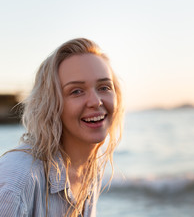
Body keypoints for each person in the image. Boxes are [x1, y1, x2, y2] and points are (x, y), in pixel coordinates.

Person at [0, 38, 124, 217]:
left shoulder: (90, 169)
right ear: (51, 104)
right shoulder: (17, 181)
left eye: (104, 87)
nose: (96, 101)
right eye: (76, 91)